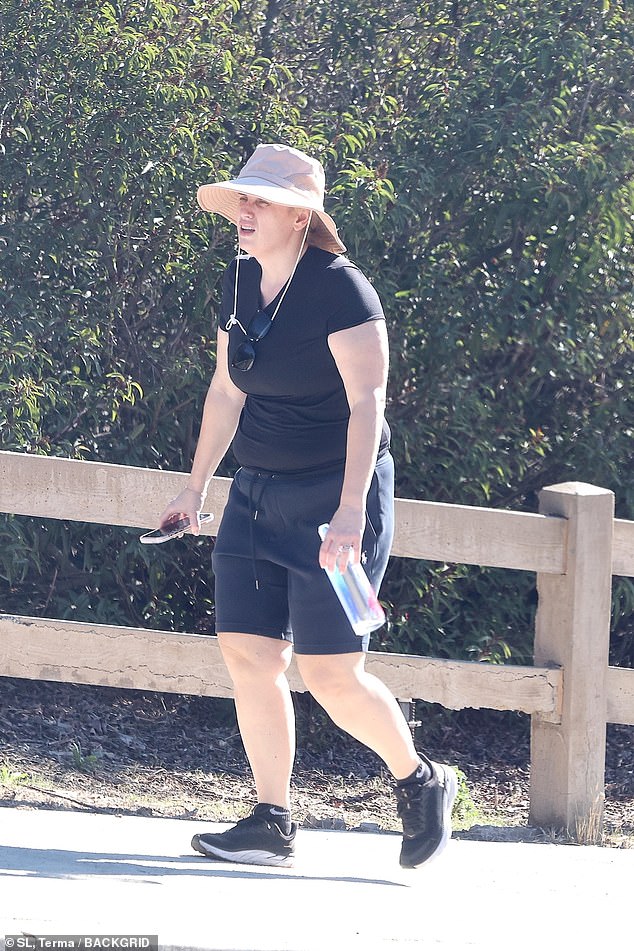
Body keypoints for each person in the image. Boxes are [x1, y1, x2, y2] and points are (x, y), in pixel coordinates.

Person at [159, 143, 457, 869]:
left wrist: (353, 510)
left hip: (337, 500)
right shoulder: (237, 282)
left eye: (261, 201)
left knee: (331, 672)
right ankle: (271, 818)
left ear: (301, 217)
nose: (245, 212)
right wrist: (194, 486)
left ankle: (420, 780)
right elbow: (228, 390)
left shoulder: (342, 290)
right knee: (249, 654)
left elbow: (368, 404)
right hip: (257, 493)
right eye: (241, 200)